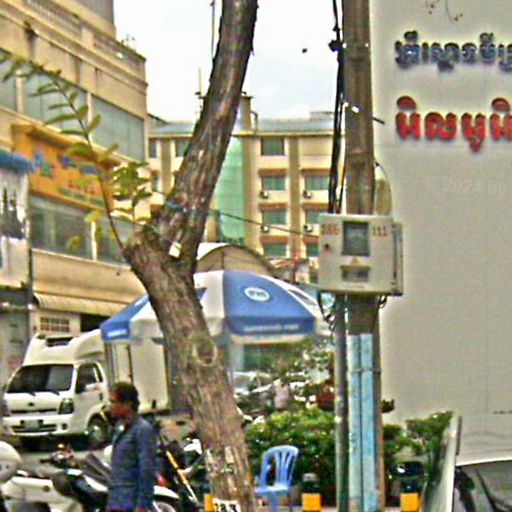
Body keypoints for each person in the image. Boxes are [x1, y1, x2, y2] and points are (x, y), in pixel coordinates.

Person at [107, 382, 156, 512]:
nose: (110, 406)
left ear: (127, 404)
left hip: (131, 502)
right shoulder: (119, 427)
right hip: (116, 501)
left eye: (113, 402)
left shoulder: (142, 430)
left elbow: (146, 470)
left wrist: (142, 505)